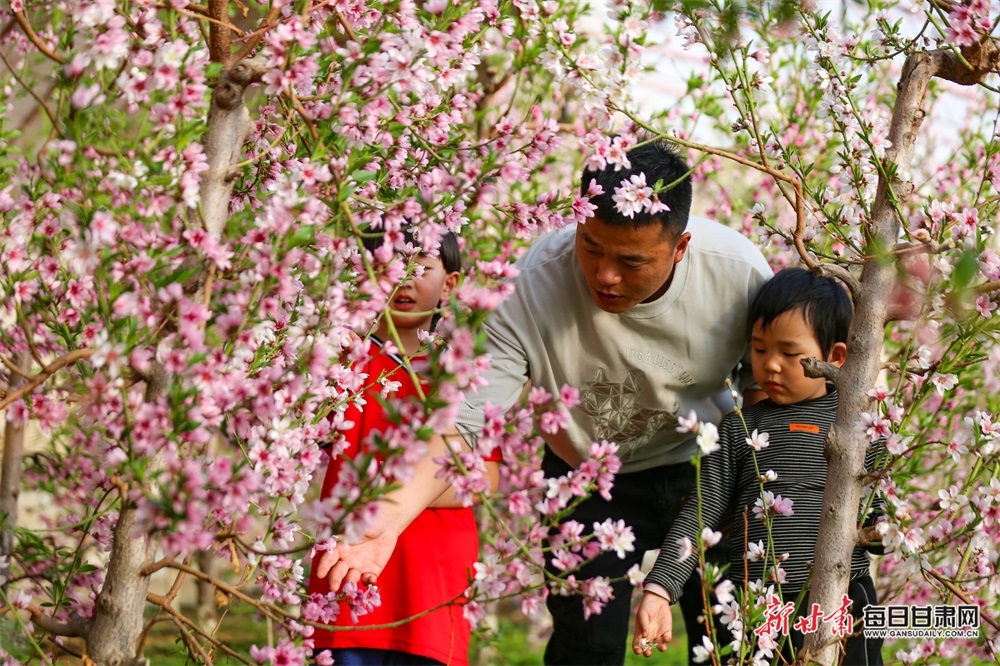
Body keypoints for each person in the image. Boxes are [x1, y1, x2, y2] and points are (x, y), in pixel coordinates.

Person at [318, 137, 772, 664]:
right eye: (592, 248)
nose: (605, 275)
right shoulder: (531, 285)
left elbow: (765, 382)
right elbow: (462, 423)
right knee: (585, 644)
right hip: (589, 476)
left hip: (705, 468)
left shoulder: (737, 273)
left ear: (680, 247)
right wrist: (387, 525)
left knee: (729, 630)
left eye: (630, 261)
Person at [633, 267, 884, 665]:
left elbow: (876, 504)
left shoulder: (859, 425)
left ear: (834, 357)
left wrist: (881, 529)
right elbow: (702, 508)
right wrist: (660, 588)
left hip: (844, 593)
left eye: (788, 352)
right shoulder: (740, 427)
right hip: (757, 603)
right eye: (760, 348)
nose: (770, 365)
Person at [308, 229, 501, 665]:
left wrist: (399, 493)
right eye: (391, 267)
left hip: (432, 583)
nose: (406, 280)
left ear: (449, 284)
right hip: (346, 575)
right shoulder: (342, 361)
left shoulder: (461, 372)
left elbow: (485, 478)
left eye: (421, 269)